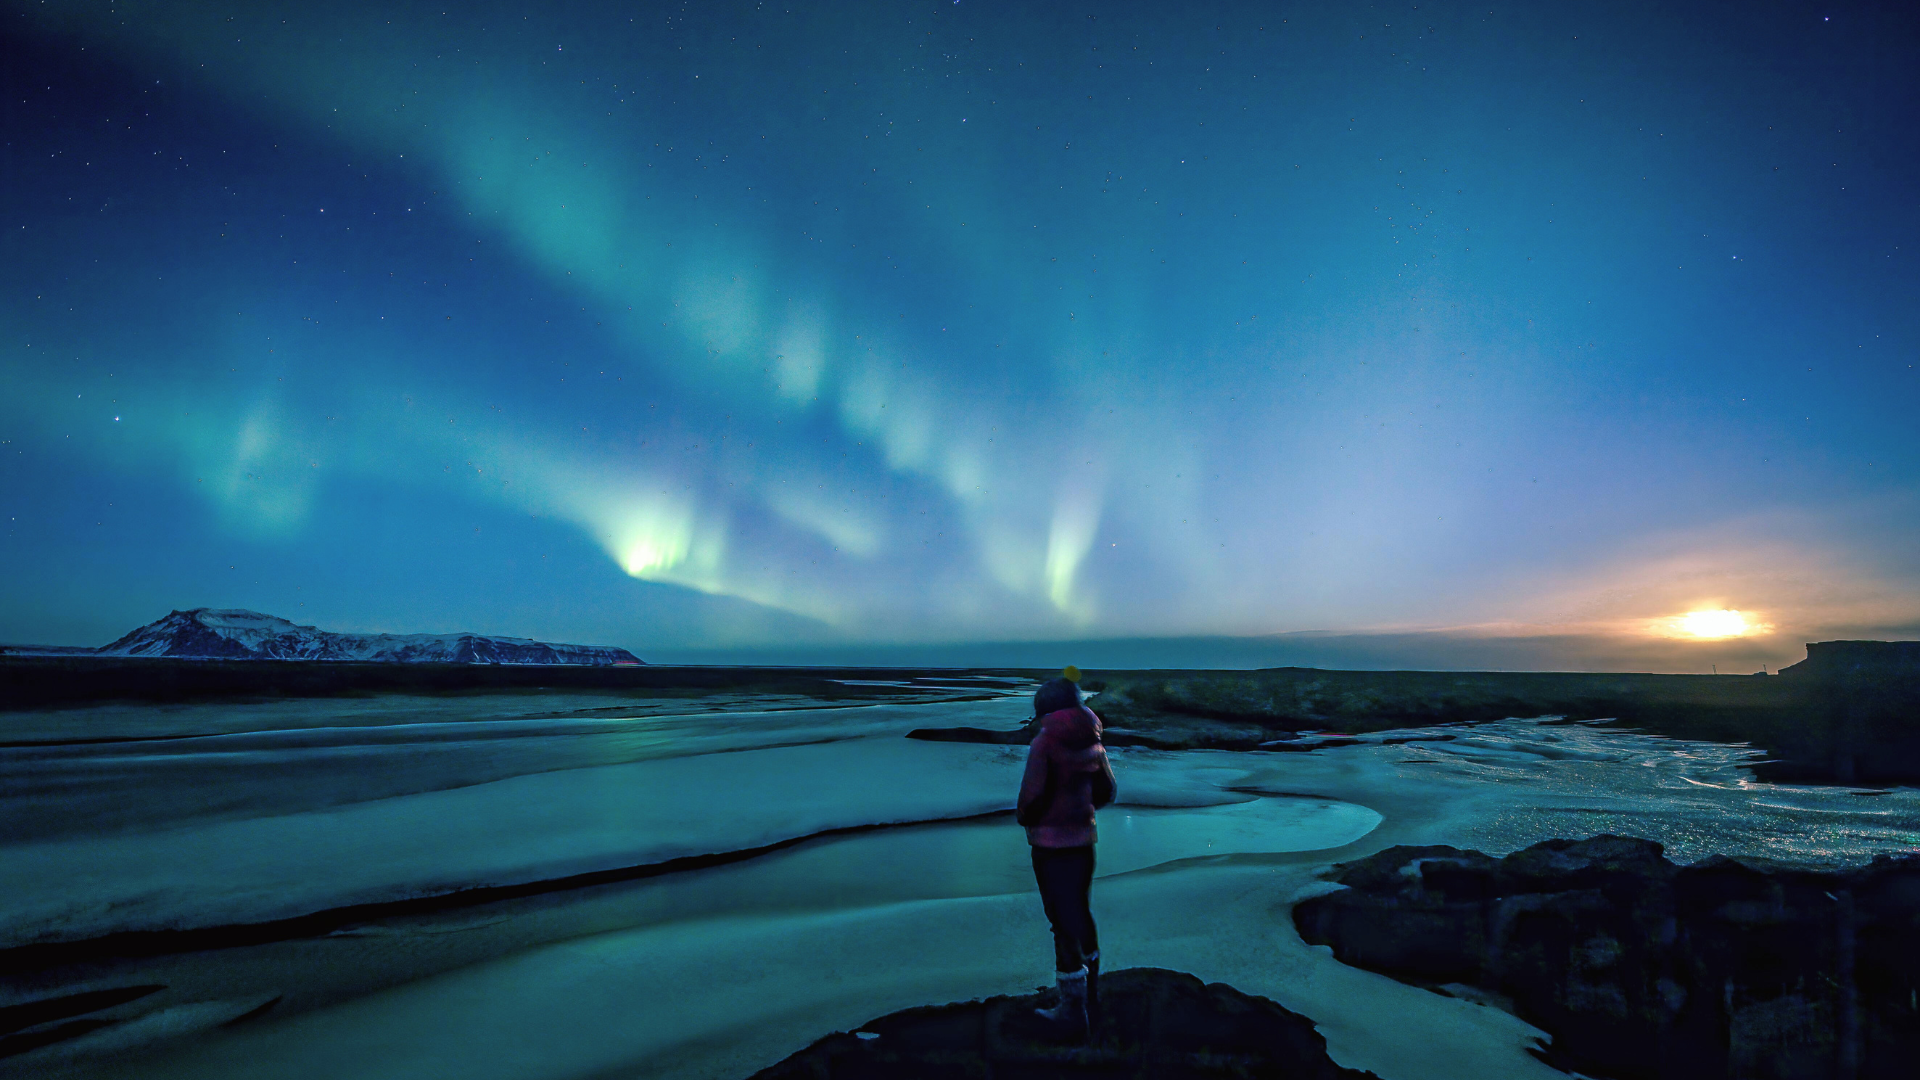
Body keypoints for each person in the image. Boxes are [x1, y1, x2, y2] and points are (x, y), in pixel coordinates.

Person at [1016, 666, 1116, 1040]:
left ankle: (1073, 1013)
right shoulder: (1094, 738)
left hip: (1050, 846)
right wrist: (1080, 814)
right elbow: (1107, 790)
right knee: (1080, 914)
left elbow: (1031, 798)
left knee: (1061, 922)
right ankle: (1091, 996)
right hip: (1083, 843)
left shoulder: (1044, 743)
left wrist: (1026, 818)